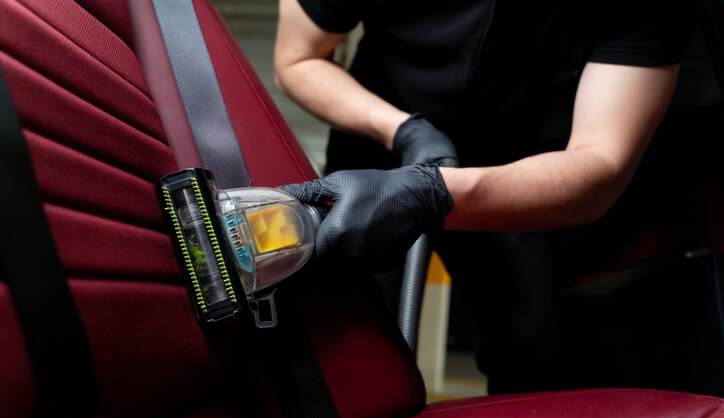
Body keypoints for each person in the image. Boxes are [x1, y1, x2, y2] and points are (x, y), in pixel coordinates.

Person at [273, 0, 694, 393]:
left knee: (538, 351)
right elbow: (297, 59)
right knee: (351, 360)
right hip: (376, 155)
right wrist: (403, 129)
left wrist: (436, 192)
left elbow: (603, 160)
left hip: (511, 175)